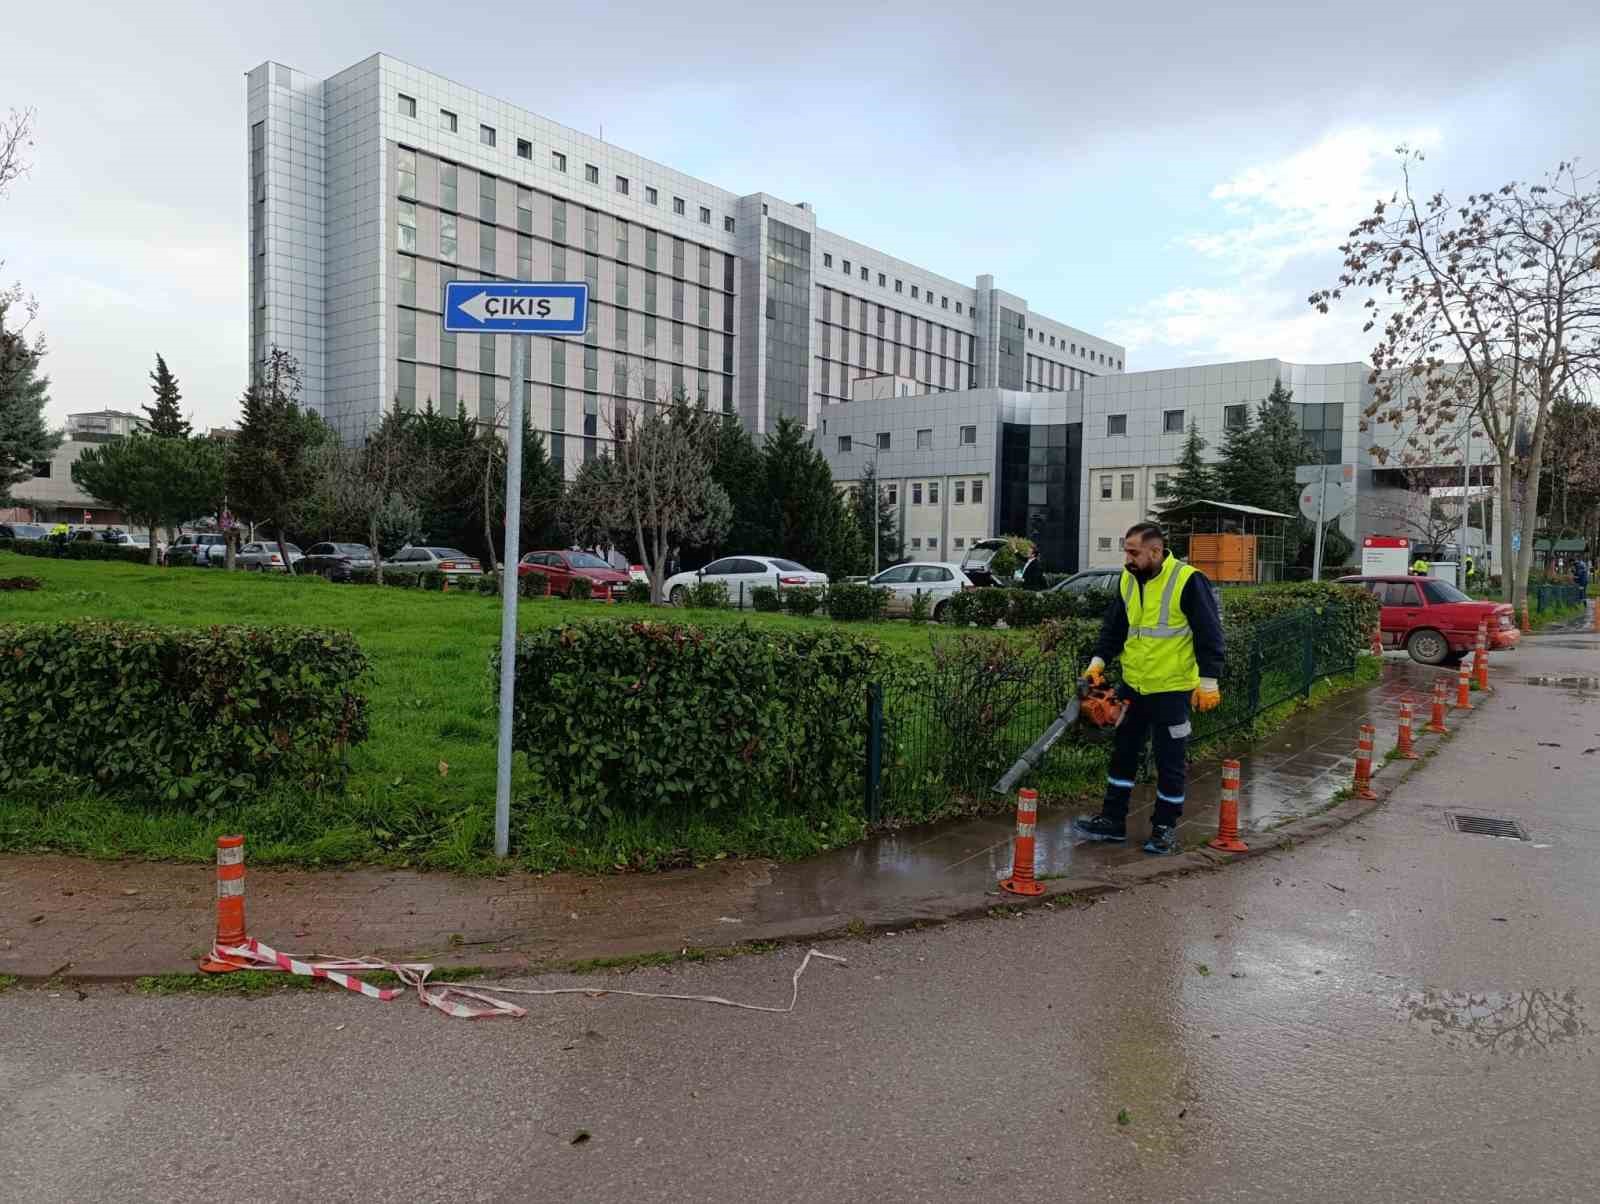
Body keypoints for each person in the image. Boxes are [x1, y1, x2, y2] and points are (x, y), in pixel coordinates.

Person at [1073, 522, 1226, 855]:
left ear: (1156, 551)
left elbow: (1209, 634)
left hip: (1171, 690)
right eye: (1126, 550)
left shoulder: (1187, 580)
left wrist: (1209, 681)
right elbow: (1115, 628)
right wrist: (1098, 663)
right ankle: (1113, 821)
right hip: (1134, 686)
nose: (1127, 558)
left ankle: (1164, 829)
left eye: (1134, 551)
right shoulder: (1129, 579)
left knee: (1170, 761)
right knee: (1123, 753)